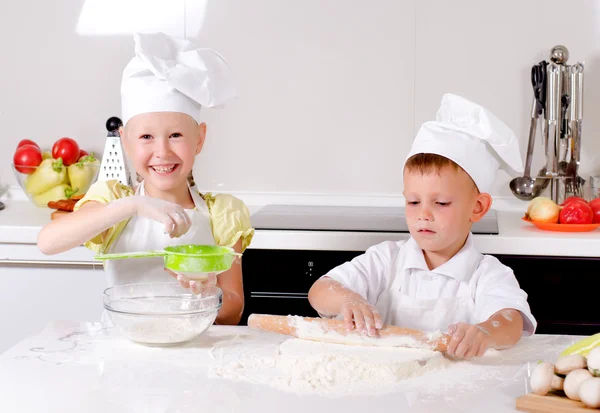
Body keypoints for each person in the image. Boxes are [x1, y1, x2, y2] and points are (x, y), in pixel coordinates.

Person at [37, 32, 254, 325]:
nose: (162, 152)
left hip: (196, 355)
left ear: (199, 139)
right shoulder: (112, 201)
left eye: (176, 135)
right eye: (146, 137)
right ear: (125, 141)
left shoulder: (222, 215)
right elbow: (48, 243)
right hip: (123, 356)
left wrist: (210, 292)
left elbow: (233, 311)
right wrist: (134, 205)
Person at [308, 93, 536, 359]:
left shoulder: (486, 274)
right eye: (414, 201)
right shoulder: (386, 260)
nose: (424, 215)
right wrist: (349, 300)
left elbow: (510, 321)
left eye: (440, 203)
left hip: (455, 393)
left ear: (478, 207)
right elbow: (321, 290)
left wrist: (485, 332)